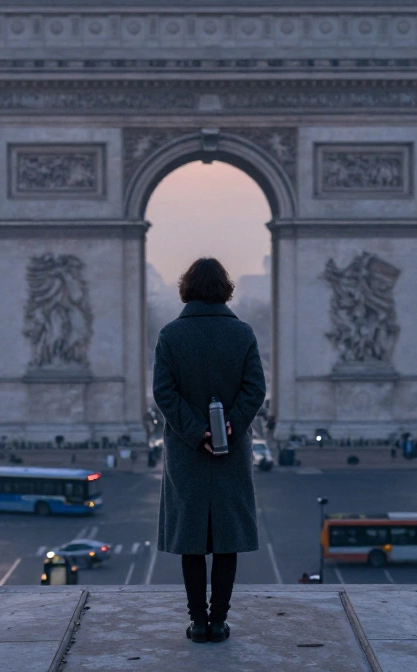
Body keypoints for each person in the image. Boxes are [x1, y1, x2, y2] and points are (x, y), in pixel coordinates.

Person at [154, 258, 266, 644]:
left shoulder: (170, 335)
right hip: (230, 453)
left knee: (192, 542)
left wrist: (195, 431)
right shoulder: (243, 334)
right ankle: (219, 621)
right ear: (226, 289)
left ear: (186, 289)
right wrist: (229, 426)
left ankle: (197, 623)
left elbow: (163, 393)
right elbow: (256, 389)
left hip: (188, 455)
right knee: (226, 541)